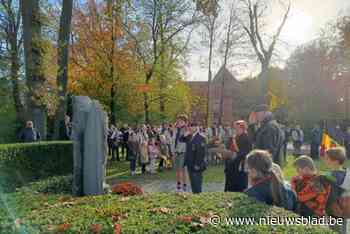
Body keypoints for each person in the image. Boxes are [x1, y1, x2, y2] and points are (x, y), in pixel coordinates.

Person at [225, 120, 252, 192]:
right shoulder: (234, 137)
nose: (235, 130)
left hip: (240, 167)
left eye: (237, 129)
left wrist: (235, 154)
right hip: (231, 166)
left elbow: (246, 152)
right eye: (234, 128)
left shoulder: (246, 138)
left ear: (243, 128)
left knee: (239, 187)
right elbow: (228, 146)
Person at [182, 122, 207, 194]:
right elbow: (180, 139)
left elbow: (201, 153)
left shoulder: (201, 137)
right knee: (193, 183)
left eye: (192, 126)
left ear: (196, 127)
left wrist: (197, 164)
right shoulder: (189, 136)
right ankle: (195, 196)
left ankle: (198, 197)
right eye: (190, 126)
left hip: (196, 164)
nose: (190, 128)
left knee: (197, 183)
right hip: (189, 163)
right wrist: (185, 134)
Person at [174, 114, 189, 192]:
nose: (178, 122)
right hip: (176, 152)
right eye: (178, 120)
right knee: (177, 170)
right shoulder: (177, 130)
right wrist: (174, 151)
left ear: (185, 122)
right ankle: (178, 185)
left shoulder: (186, 130)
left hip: (183, 152)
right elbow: (174, 141)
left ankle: (184, 186)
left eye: (180, 121)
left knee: (183, 170)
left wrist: (178, 151)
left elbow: (184, 142)